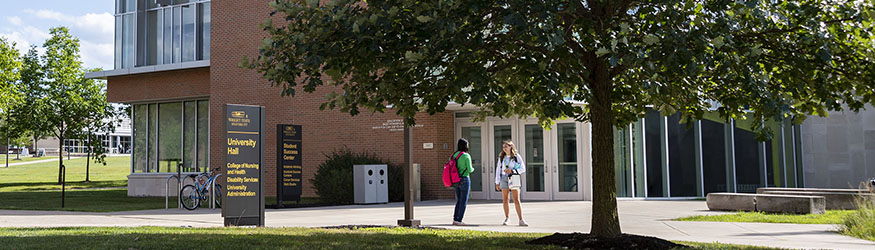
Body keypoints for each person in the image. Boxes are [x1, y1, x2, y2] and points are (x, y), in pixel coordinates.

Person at [495, 140, 527, 226]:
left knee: (516, 199)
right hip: (504, 178)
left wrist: (512, 171)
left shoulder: (516, 156)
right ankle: (507, 218)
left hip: (514, 177)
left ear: (511, 147)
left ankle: (521, 219)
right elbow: (498, 170)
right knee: (505, 199)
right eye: (503, 147)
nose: (504, 148)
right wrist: (497, 182)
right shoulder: (502, 157)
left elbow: (523, 168)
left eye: (506, 146)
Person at [452, 138, 474, 226]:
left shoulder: (454, 155)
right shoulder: (466, 156)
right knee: (463, 201)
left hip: (455, 180)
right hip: (464, 179)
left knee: (458, 200)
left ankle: (455, 219)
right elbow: (470, 169)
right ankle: (459, 220)